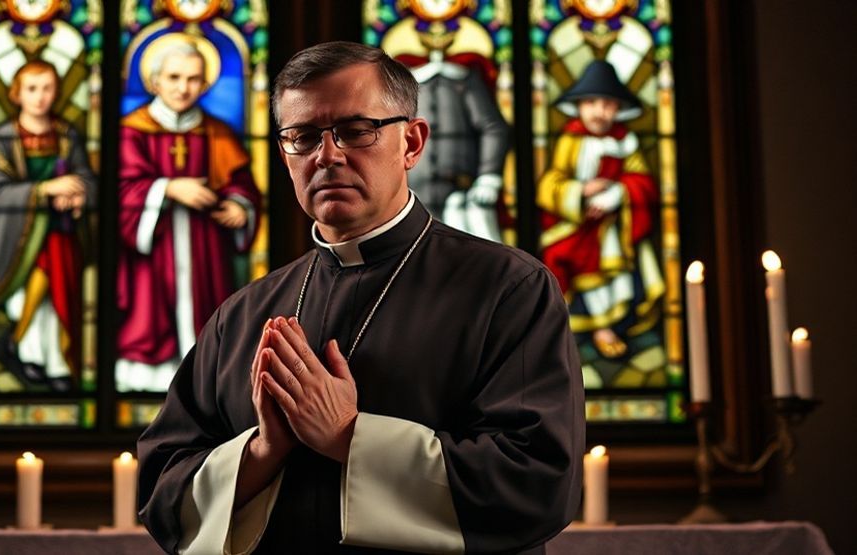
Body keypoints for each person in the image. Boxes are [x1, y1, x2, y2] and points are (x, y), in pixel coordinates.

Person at [138, 41, 582, 554]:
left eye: (355, 130)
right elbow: (161, 490)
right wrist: (262, 451)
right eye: (302, 137)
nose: (327, 156)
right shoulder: (242, 314)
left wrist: (349, 437)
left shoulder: (508, 288)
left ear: (412, 143)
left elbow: (539, 483)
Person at [117, 41, 262, 393]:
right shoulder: (131, 131)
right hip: (153, 250)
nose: (184, 88)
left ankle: (205, 378)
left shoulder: (219, 132)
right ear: (154, 82)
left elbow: (243, 184)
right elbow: (118, 190)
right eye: (174, 77)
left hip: (206, 246)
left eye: (194, 79)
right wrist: (167, 189)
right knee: (149, 315)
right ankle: (147, 380)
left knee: (209, 319)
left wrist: (239, 207)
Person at [0, 60, 96, 391]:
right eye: (31, 89)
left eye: (47, 88)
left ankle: (54, 360)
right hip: (17, 242)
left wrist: (77, 194)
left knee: (58, 298)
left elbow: (86, 178)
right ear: (16, 94)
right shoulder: (4, 138)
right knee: (42, 283)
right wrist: (44, 191)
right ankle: (26, 349)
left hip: (61, 232)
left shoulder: (66, 135)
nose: (40, 97)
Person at [536, 60, 664, 360]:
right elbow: (550, 184)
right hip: (573, 223)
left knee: (616, 271)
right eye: (591, 102)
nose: (599, 111)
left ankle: (607, 327)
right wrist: (580, 193)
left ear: (618, 109)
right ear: (579, 106)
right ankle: (571, 327)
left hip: (617, 226)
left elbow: (642, 182)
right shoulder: (570, 140)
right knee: (562, 256)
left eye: (608, 104)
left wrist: (616, 195)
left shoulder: (626, 142)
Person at [401, 33, 512, 242]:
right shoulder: (405, 84)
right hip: (411, 196)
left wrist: (488, 177)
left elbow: (493, 128)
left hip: (461, 196)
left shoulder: (464, 80)